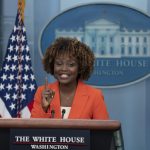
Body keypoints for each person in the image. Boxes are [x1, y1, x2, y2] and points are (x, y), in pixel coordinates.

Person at [31, 37, 109, 119]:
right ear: (52, 65)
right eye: (59, 64)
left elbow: (103, 131)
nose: (64, 69)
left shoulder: (94, 96)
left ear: (80, 67)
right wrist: (44, 108)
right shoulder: (42, 92)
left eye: (71, 64)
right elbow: (32, 129)